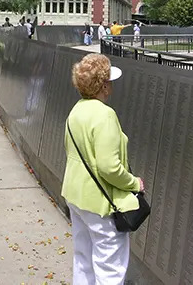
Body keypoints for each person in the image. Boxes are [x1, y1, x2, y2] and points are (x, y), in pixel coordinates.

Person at [62, 53, 144, 284]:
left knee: (83, 259)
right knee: (110, 268)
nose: (112, 86)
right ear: (103, 86)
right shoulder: (105, 115)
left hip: (76, 195)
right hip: (100, 203)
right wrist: (134, 182)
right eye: (109, 81)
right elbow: (109, 168)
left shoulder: (76, 110)